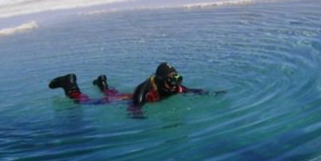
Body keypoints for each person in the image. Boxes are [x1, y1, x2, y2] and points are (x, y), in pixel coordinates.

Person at [48, 62, 210, 108]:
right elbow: (136, 103)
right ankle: (70, 85)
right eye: (171, 80)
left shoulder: (174, 87)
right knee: (86, 102)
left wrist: (206, 92)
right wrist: (136, 113)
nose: (175, 84)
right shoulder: (147, 90)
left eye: (178, 79)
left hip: (126, 97)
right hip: (126, 100)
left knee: (112, 93)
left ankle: (102, 83)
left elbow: (189, 90)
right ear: (160, 81)